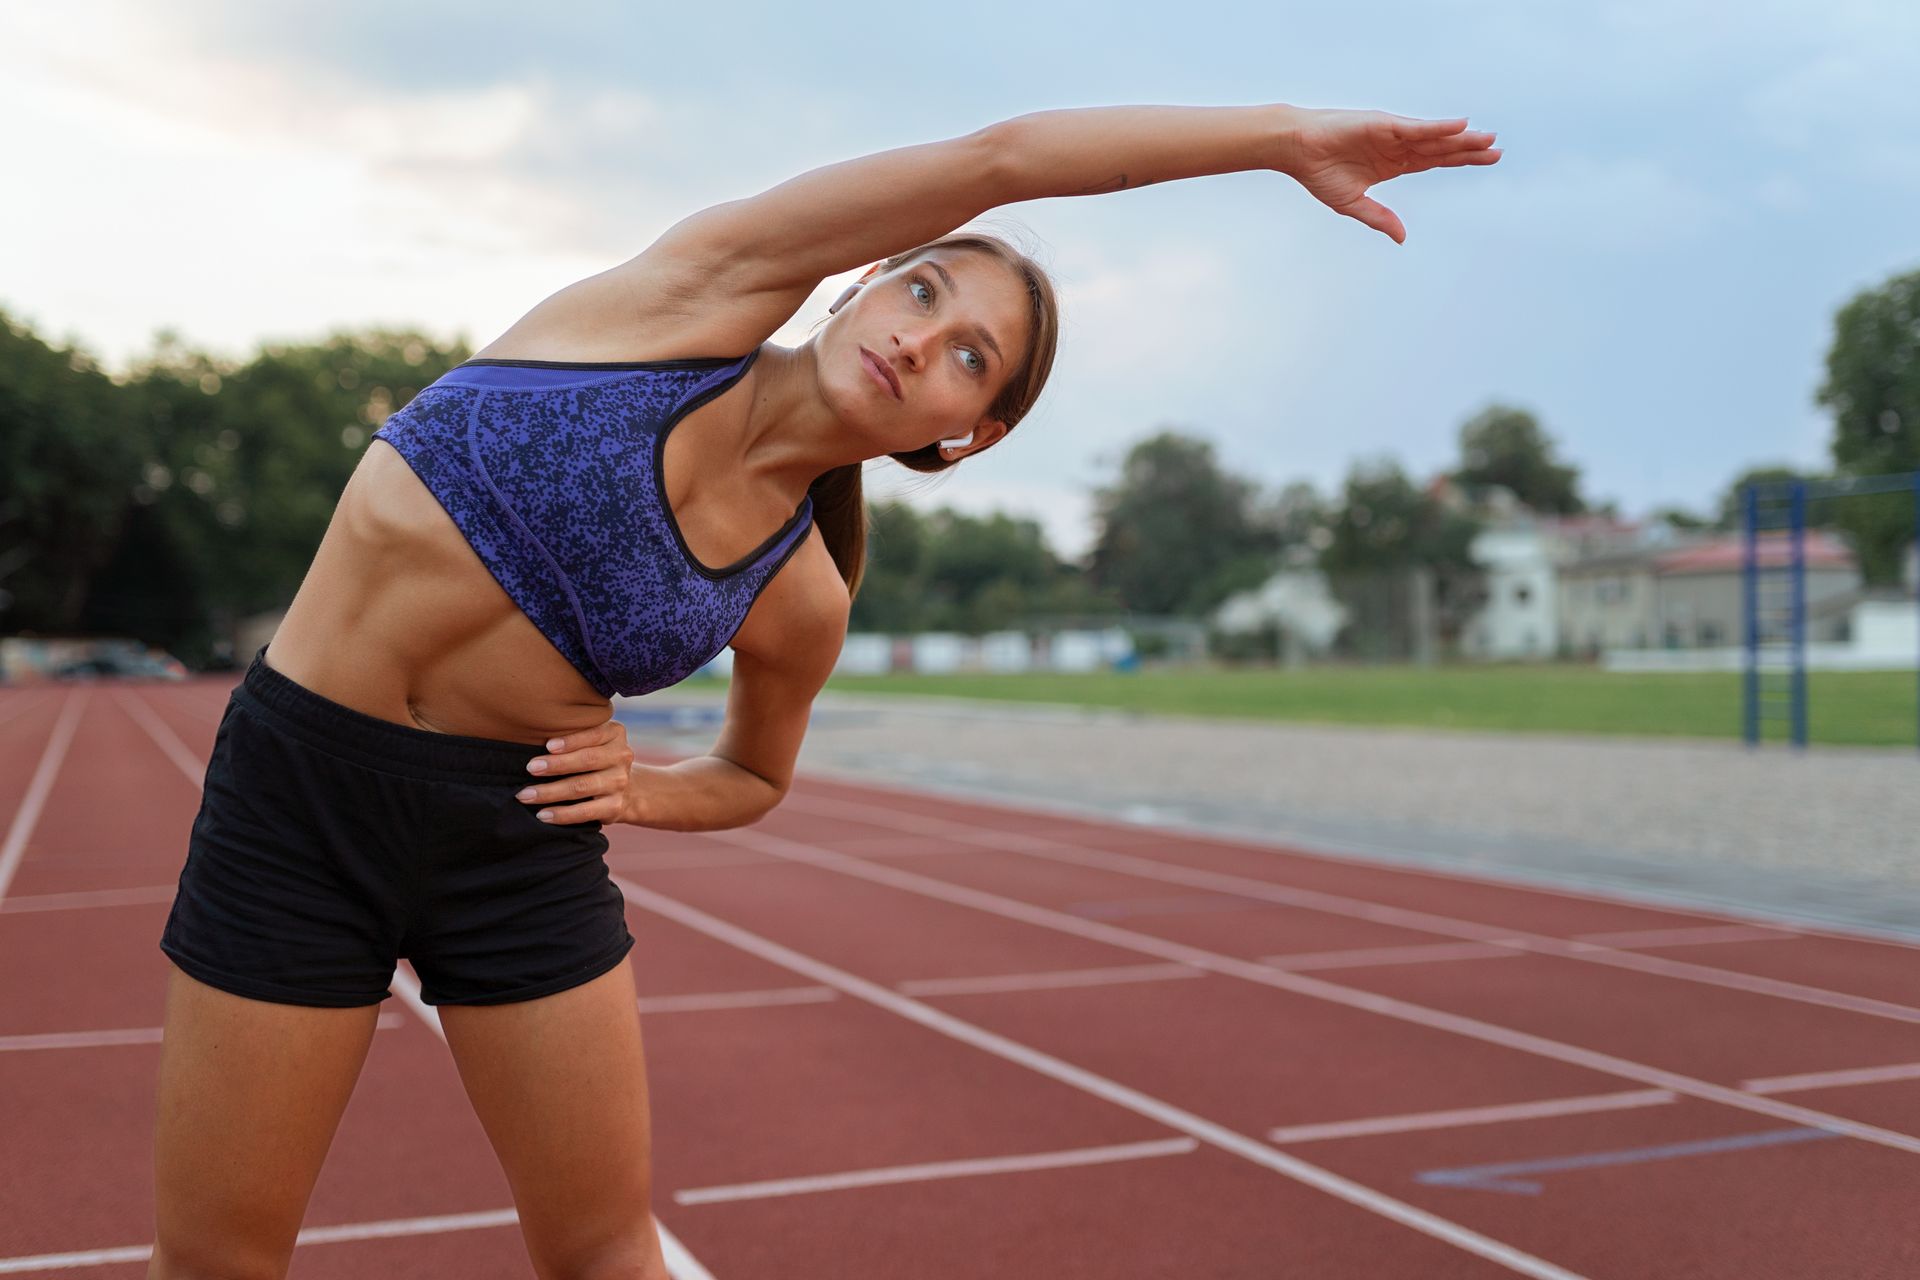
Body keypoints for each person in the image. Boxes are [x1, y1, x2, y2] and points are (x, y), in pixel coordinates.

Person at [148, 102, 1500, 1279]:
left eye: (972, 358)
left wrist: (643, 792)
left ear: (965, 436)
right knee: (220, 1262)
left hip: (517, 848)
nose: (926, 344)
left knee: (606, 1256)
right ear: (859, 280)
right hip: (299, 795)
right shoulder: (688, 298)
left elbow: (754, 775)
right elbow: (1005, 157)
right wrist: (1277, 140)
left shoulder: (802, 597)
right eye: (924, 296)